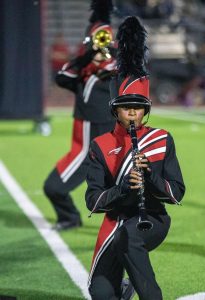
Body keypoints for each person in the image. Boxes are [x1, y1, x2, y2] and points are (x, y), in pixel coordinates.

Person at [85, 16, 185, 300]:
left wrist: (151, 176)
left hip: (152, 218)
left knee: (130, 238)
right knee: (102, 294)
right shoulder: (100, 145)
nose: (132, 113)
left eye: (138, 108)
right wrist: (123, 190)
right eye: (126, 107)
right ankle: (124, 289)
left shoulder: (161, 139)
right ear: (115, 110)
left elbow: (177, 192)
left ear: (146, 110)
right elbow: (93, 200)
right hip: (114, 222)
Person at [43, 0, 116, 230]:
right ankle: (70, 218)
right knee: (53, 187)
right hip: (83, 149)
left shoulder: (113, 70)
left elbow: (118, 68)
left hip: (97, 151)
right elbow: (61, 76)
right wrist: (86, 57)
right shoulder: (83, 74)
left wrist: (106, 49)